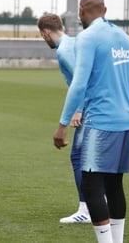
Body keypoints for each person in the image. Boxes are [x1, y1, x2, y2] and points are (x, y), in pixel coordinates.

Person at [53, 0, 129, 243]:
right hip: (124, 123)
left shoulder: (88, 37)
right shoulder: (125, 38)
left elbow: (79, 84)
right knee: (115, 186)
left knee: (92, 186)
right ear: (105, 10)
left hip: (100, 123)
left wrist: (62, 125)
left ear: (82, 10)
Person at [37, 14, 90, 224]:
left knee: (78, 158)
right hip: (97, 105)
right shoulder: (74, 42)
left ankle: (86, 210)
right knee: (93, 158)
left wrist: (78, 110)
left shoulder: (64, 50)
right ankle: (99, 202)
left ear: (46, 32)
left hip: (88, 108)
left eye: (42, 36)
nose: (43, 39)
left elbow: (81, 81)